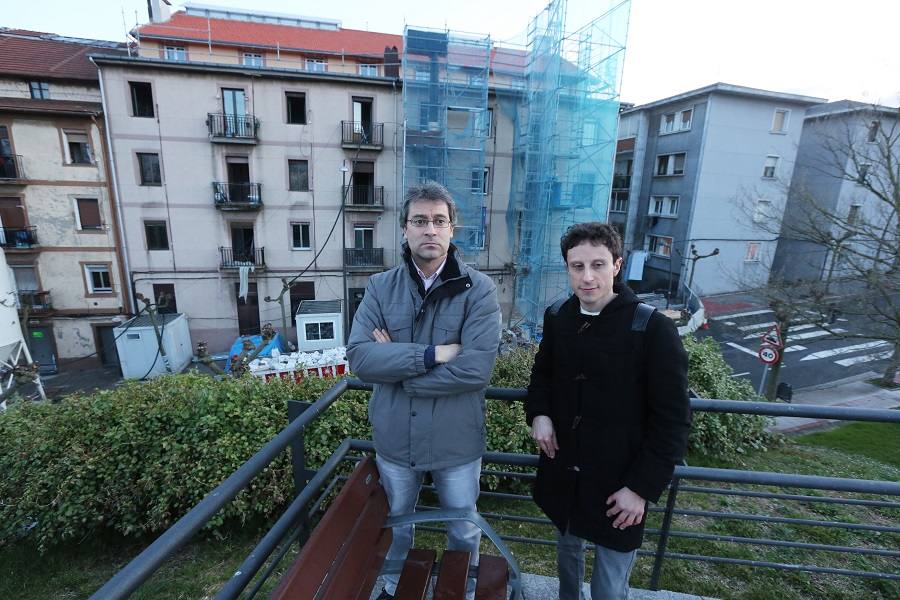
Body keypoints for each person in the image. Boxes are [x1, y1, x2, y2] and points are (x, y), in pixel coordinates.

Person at [347, 181, 502, 600]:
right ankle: (397, 583)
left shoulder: (481, 291)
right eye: (420, 221)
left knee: (463, 526)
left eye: (439, 221)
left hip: (457, 441)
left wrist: (398, 368)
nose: (429, 230)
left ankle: (461, 585)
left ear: (453, 229)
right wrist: (435, 354)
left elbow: (475, 370)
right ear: (404, 229)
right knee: (397, 520)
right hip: (395, 438)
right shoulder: (381, 287)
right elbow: (361, 359)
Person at [525, 222, 691, 600]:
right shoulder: (558, 316)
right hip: (565, 475)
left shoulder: (652, 329)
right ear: (566, 267)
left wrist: (640, 488)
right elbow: (542, 376)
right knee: (567, 561)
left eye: (598, 265)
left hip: (621, 486)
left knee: (609, 587)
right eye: (576, 266)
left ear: (617, 266)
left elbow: (673, 420)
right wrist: (540, 414)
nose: (587, 277)